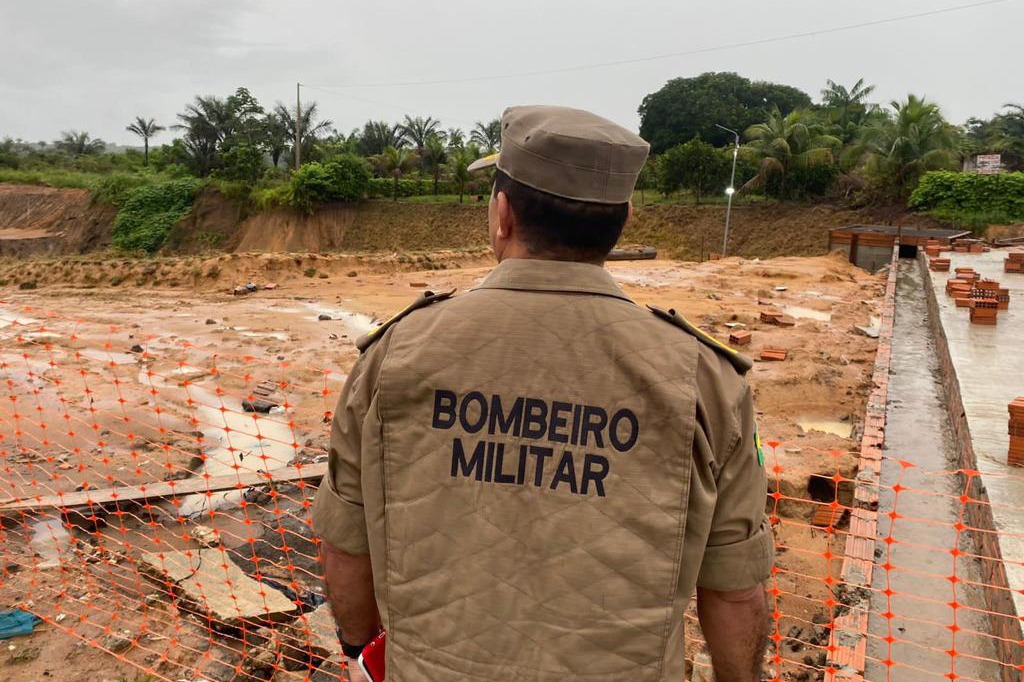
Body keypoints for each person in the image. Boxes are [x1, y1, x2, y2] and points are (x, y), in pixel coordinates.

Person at [312, 105, 773, 682]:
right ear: (624, 222)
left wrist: (360, 651)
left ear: (502, 214)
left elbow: (344, 549)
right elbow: (735, 594)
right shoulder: (706, 377)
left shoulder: (393, 355)